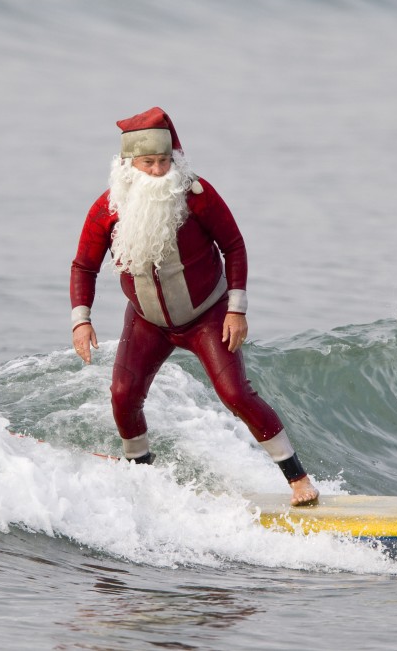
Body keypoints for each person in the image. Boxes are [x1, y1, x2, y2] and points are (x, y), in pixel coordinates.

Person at [70, 106, 319, 506]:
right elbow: (84, 264)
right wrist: (81, 320)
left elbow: (233, 245)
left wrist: (236, 308)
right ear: (128, 164)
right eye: (147, 162)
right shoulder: (108, 208)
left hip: (208, 314)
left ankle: (298, 479)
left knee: (235, 393)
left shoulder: (195, 195)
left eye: (164, 161)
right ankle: (141, 474)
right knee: (123, 392)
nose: (157, 171)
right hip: (148, 320)